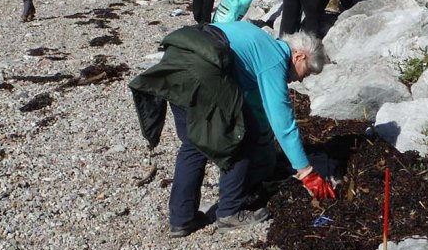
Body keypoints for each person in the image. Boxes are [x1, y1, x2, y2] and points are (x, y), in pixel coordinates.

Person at [129, 23, 336, 238]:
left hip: (176, 63)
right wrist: (306, 171)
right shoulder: (275, 59)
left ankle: (182, 219)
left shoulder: (259, 42)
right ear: (299, 56)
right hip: (201, 70)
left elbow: (252, 104)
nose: (300, 79)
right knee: (240, 136)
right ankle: (230, 212)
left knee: (193, 144)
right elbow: (282, 122)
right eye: (306, 73)